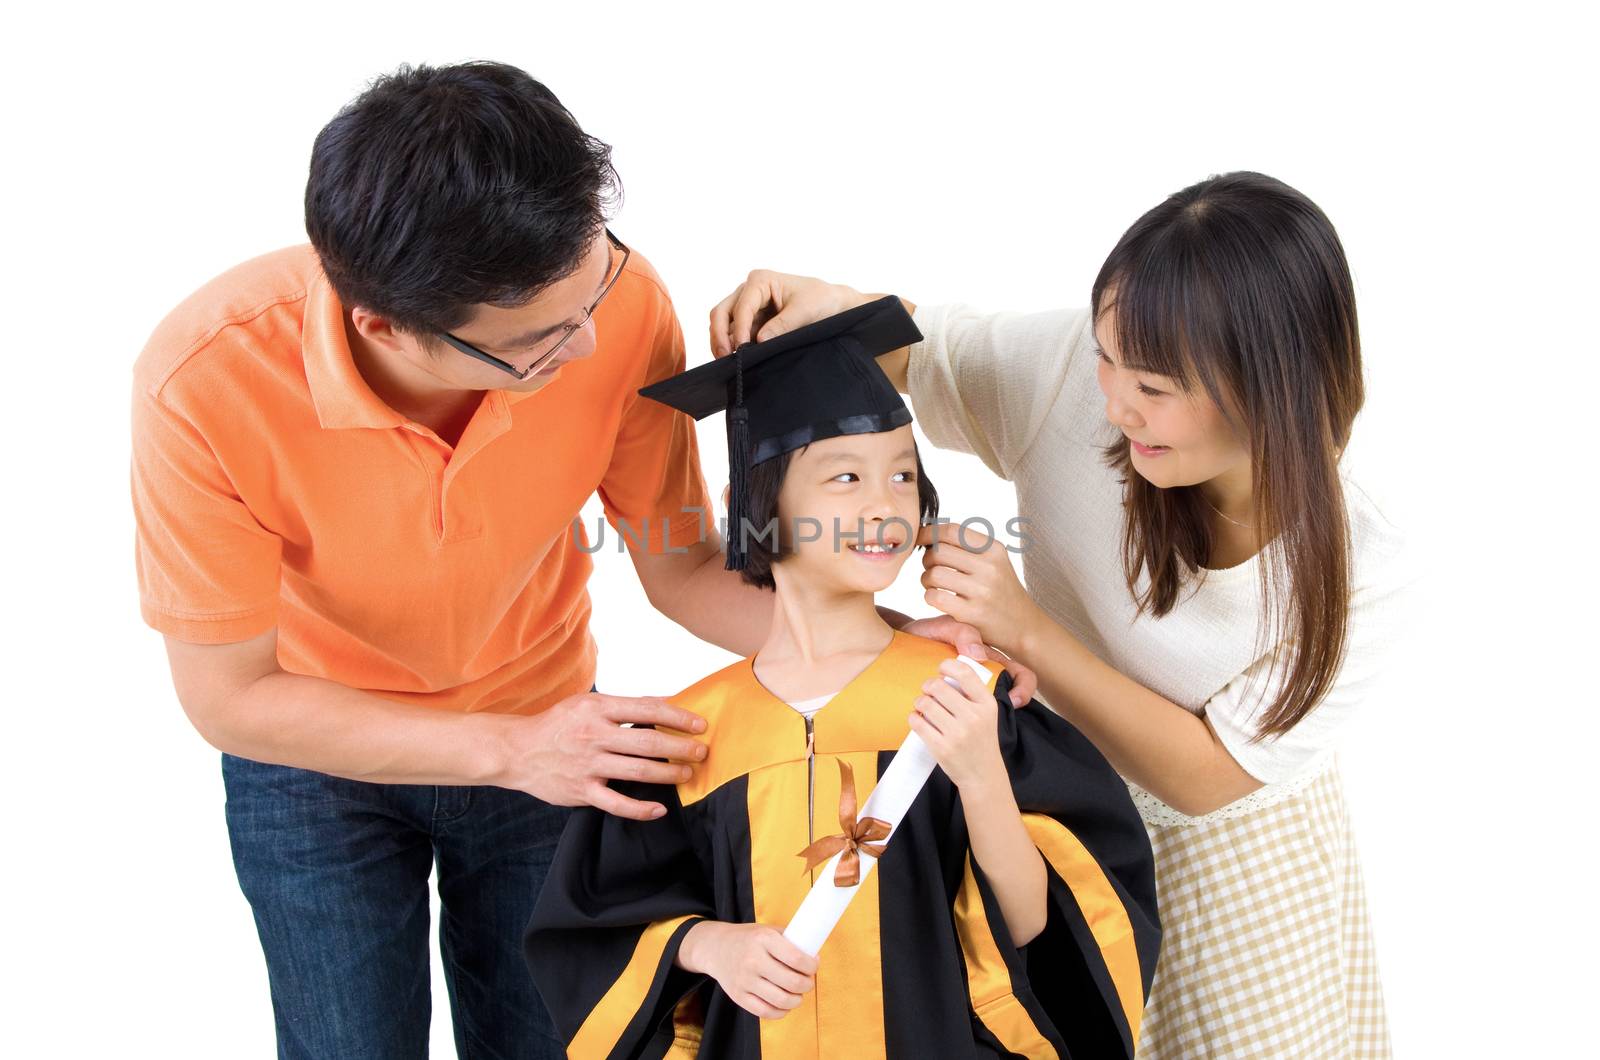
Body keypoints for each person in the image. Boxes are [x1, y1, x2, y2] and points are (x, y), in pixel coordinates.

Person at [129, 62, 1024, 1059]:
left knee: (560, 1034)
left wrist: (898, 646)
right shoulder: (204, 379)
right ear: (383, 325)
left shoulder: (620, 309)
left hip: (545, 723)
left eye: (592, 288)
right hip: (316, 753)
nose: (590, 340)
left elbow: (681, 565)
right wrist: (512, 749)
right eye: (538, 340)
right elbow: (230, 697)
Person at [709, 172, 1416, 1058]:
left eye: (1153, 387)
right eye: (1106, 356)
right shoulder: (1072, 381)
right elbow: (927, 353)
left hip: (1233, 863)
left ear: (1264, 386)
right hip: (1053, 812)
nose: (1116, 404)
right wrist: (836, 307)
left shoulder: (1361, 561)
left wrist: (1021, 625)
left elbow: (1207, 778)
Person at [524, 299, 1160, 1059]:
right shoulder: (689, 739)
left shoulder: (966, 697)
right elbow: (594, 944)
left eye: (901, 475)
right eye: (845, 475)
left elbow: (1044, 939)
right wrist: (706, 946)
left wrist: (984, 776)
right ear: (755, 510)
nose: (883, 505)